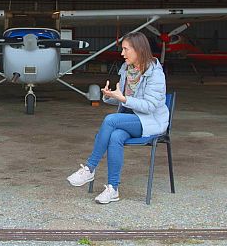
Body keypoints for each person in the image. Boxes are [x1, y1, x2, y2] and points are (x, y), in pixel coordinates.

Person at [66, 32, 169, 204]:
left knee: (110, 120)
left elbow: (150, 106)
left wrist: (123, 99)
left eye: (125, 49)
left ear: (138, 50)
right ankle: (113, 189)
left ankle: (90, 168)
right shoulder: (127, 71)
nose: (122, 53)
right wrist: (109, 96)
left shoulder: (155, 74)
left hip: (150, 122)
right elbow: (122, 99)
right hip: (130, 119)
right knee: (115, 136)